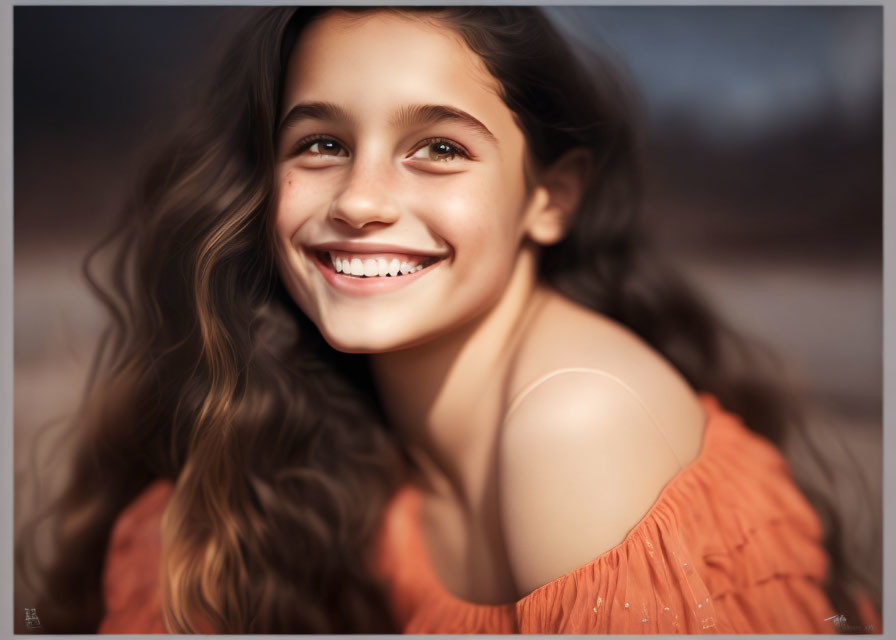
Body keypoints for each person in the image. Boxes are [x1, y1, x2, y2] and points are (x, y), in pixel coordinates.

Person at [20, 6, 880, 634]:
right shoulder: (330, 407)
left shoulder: (574, 425)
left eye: (439, 147)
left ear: (549, 198)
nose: (359, 200)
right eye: (320, 142)